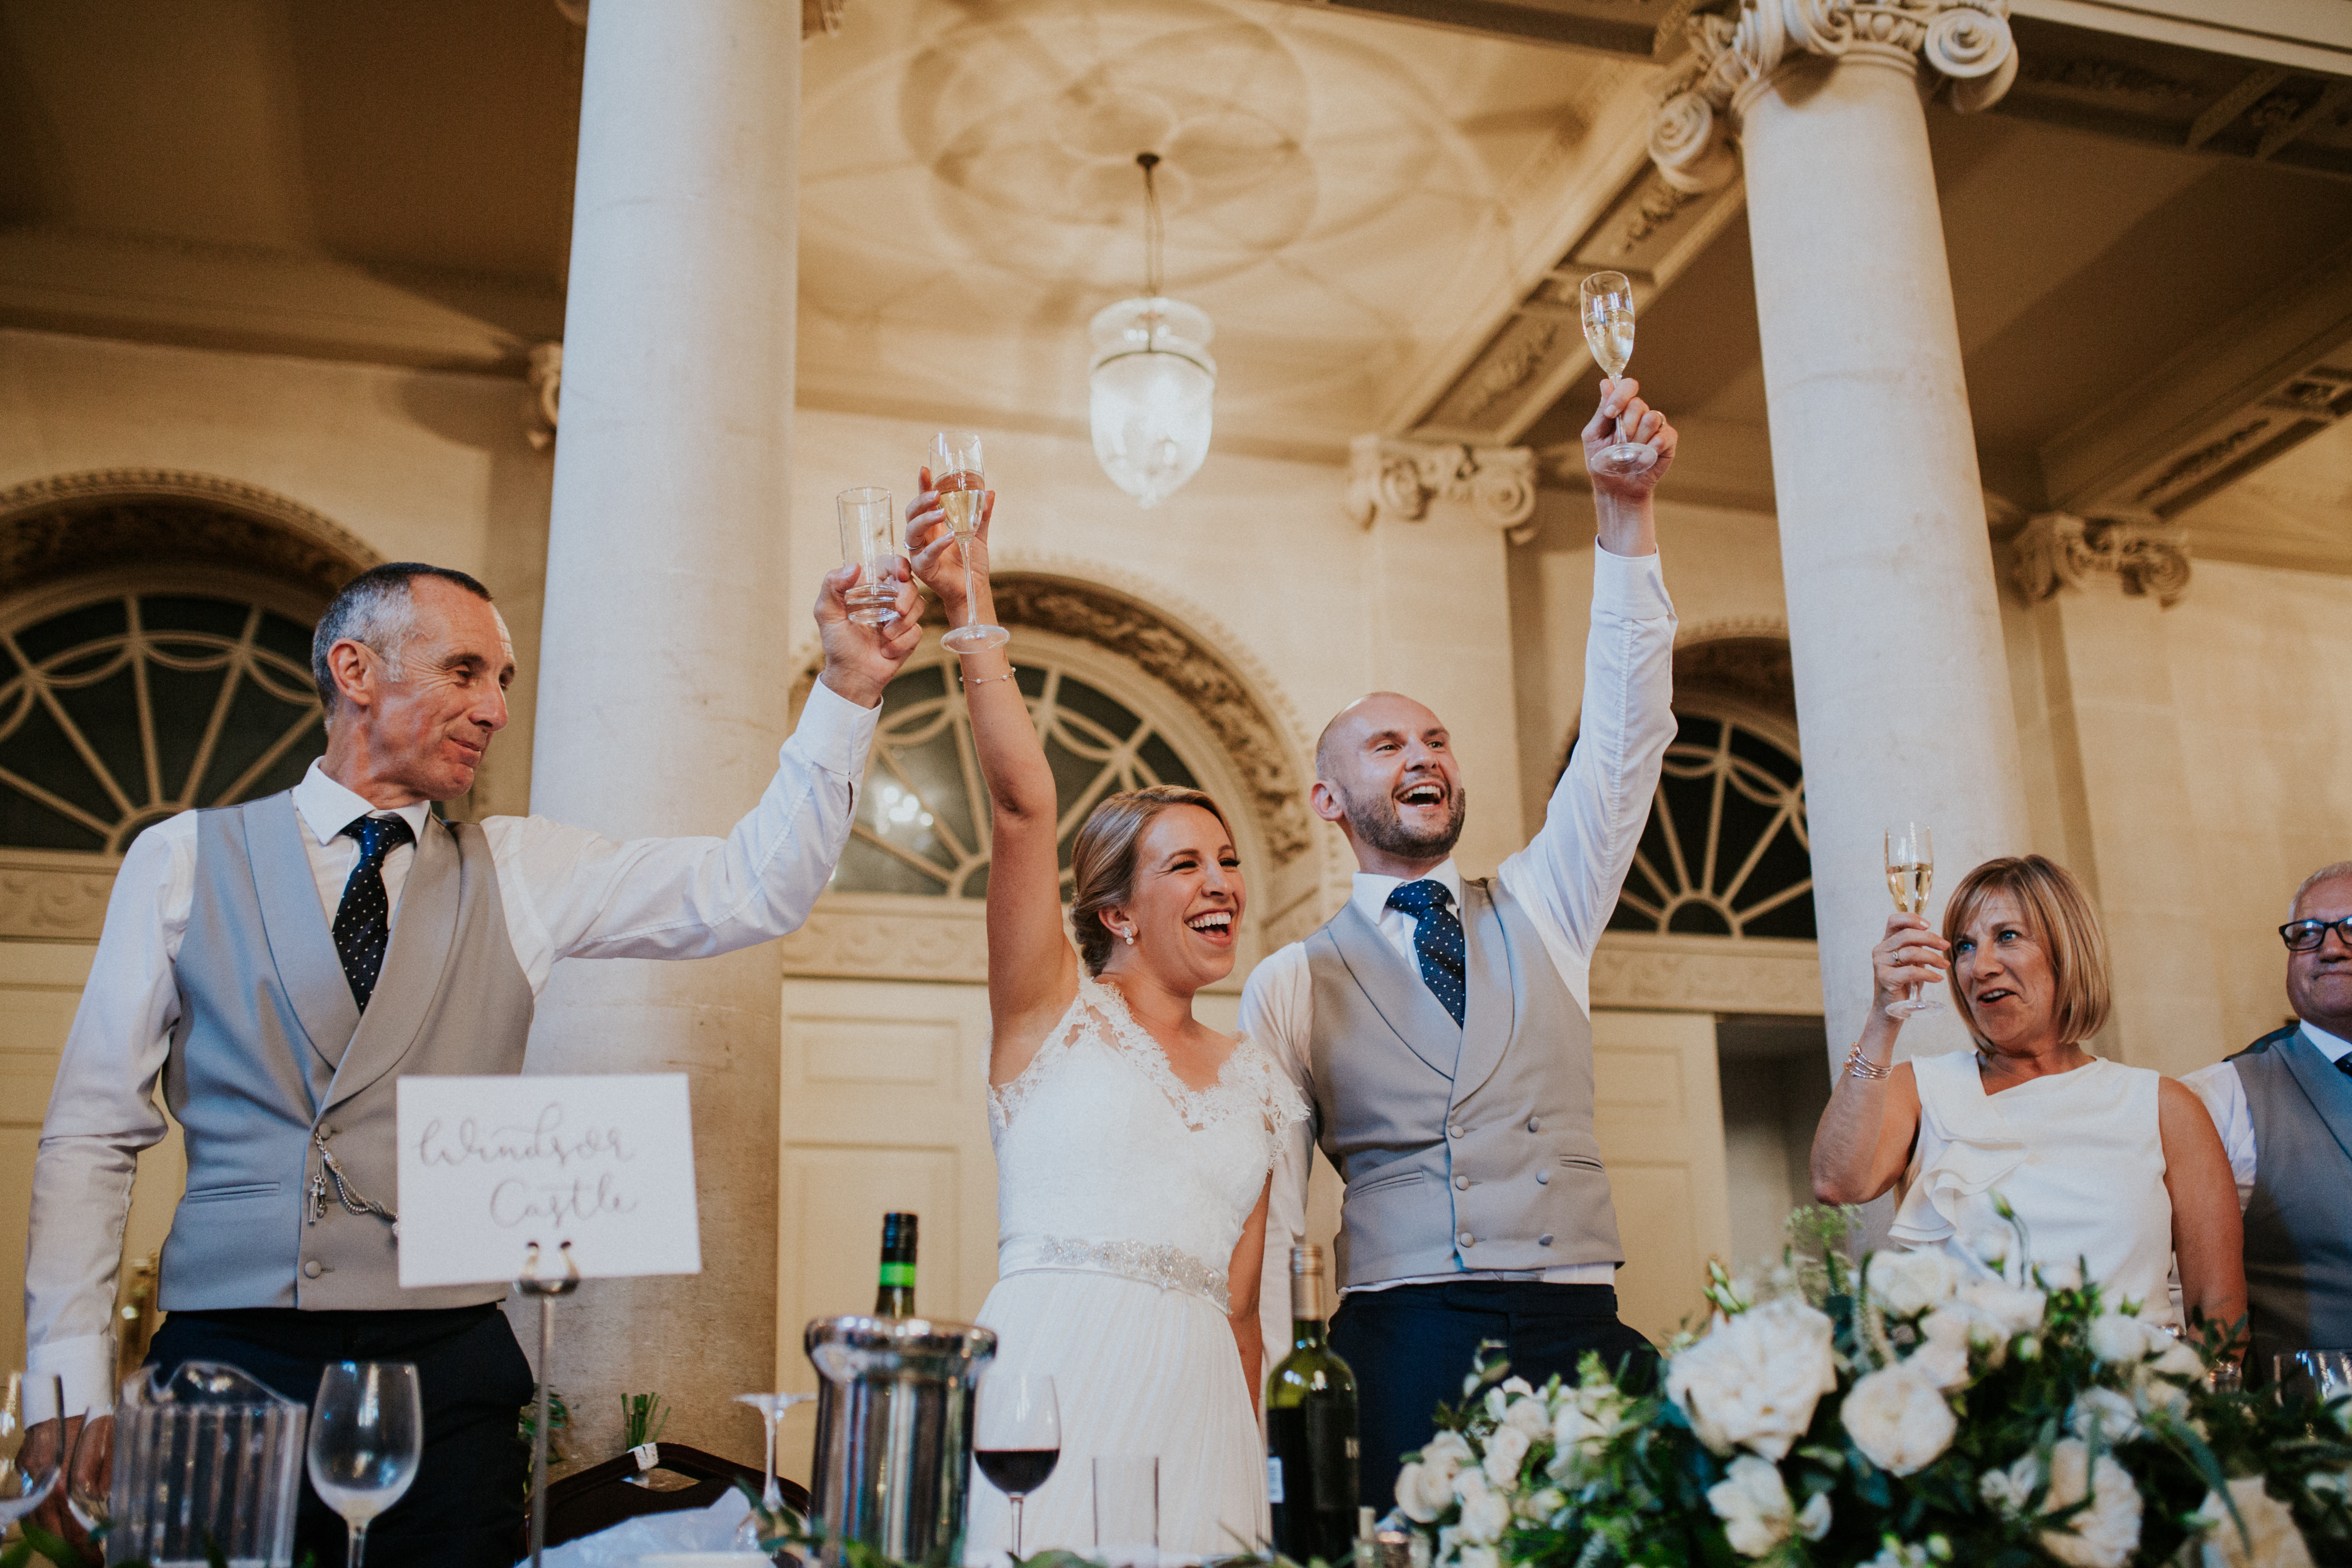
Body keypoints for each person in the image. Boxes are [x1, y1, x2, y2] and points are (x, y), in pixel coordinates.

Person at [22, 558, 922, 1566]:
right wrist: (65, 1378)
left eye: (502, 682)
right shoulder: (180, 859)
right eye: (464, 672)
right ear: (355, 671)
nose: (493, 709)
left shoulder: (527, 867)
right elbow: (93, 1133)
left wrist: (848, 690)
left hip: (447, 1370)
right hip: (228, 1365)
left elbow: (753, 890)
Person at [1242, 378, 1679, 1514]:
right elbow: (1277, 1208)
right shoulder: (1286, 982)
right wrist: (1276, 1394)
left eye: (1432, 736)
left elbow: (1624, 739)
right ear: (1329, 798)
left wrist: (1623, 519)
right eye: (1384, 743)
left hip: (1576, 1313)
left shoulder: (1546, 901)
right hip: (1400, 1326)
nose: (1418, 752)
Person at [901, 478, 1307, 1563]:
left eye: (1227, 860)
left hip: (1205, 1418)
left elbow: (1240, 1313)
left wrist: (1256, 1477)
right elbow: (1026, 802)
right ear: (1116, 908)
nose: (1219, 878)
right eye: (1185, 862)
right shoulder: (1047, 1017)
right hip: (1049, 1387)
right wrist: (967, 600)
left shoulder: (1262, 1082)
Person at [1811, 854, 2245, 1345]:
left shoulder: (2164, 1105)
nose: (1980, 966)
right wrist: (1883, 1016)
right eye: (1965, 947)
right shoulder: (1923, 1089)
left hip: (2139, 1408)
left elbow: (2220, 1320)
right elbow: (1835, 1182)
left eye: (2008, 937)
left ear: (2067, 950)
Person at [2184, 860, 2352, 1381]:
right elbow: (2183, 1295)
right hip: (2313, 1439)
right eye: (2306, 934)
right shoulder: (2219, 1098)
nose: (2329, 948)